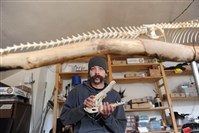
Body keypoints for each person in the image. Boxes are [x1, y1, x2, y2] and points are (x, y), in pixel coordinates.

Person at [60, 56, 127, 133]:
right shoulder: (76, 92)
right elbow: (64, 119)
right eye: (93, 69)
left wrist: (107, 117)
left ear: (105, 73)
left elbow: (120, 130)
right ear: (89, 73)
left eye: (101, 69)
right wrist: (82, 108)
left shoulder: (114, 95)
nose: (97, 72)